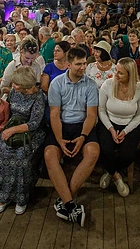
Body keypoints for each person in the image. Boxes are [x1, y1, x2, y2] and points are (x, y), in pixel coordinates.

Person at [44, 46, 99, 226]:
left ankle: (64, 201)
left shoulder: (90, 84)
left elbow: (91, 115)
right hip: (62, 125)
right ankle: (70, 204)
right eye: (78, 64)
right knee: (50, 155)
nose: (83, 68)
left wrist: (83, 136)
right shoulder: (57, 84)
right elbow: (54, 114)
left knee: (93, 152)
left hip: (82, 125)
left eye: (84, 64)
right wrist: (59, 140)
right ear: (68, 64)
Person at [0, 66, 46, 215]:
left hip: (32, 132)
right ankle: (3, 197)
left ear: (25, 85)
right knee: (4, 151)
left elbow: (34, 123)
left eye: (16, 84)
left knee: (22, 156)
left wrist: (13, 130)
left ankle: (21, 198)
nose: (13, 86)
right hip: (13, 127)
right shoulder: (13, 92)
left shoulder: (39, 98)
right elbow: (8, 112)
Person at [98, 58, 140, 197]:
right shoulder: (107, 85)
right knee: (106, 149)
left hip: (130, 124)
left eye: (120, 73)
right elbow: (101, 110)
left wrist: (125, 131)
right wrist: (111, 129)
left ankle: (111, 172)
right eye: (116, 71)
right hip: (108, 122)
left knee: (128, 154)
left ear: (130, 75)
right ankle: (118, 178)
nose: (116, 75)